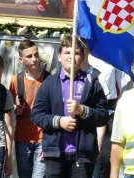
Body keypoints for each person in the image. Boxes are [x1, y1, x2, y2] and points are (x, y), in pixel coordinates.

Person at [31, 34, 109, 178]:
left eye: (77, 53)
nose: (71, 57)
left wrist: (83, 111)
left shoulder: (92, 84)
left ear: (83, 57)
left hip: (83, 155)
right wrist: (59, 121)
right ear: (59, 56)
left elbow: (103, 116)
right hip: (55, 154)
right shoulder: (48, 84)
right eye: (67, 52)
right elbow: (36, 115)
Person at [8, 39, 49, 178]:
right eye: (29, 56)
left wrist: (50, 142)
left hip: (43, 138)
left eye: (36, 55)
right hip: (22, 138)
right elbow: (7, 106)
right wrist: (15, 108)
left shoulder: (49, 79)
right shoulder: (16, 80)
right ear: (21, 60)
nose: (34, 59)